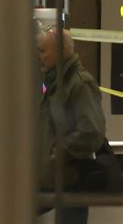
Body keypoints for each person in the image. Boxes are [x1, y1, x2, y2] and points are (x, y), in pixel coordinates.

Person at [37, 28, 122, 224]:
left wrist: (58, 151)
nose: (38, 56)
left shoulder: (79, 84)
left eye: (43, 51)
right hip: (57, 176)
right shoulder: (57, 82)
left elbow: (92, 131)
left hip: (69, 178)